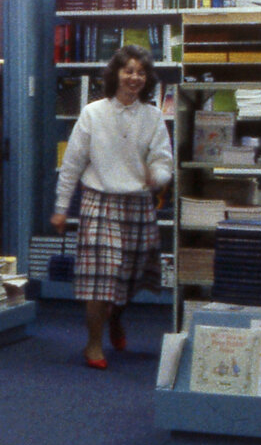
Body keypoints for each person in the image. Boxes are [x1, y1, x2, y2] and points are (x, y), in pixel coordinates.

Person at [52, 44, 172, 369]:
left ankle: (116, 319)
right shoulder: (93, 113)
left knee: (129, 279)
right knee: (99, 275)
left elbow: (163, 161)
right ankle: (93, 343)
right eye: (128, 70)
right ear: (116, 74)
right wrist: (61, 207)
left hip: (137, 203)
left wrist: (156, 177)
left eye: (141, 72)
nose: (134, 77)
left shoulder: (153, 116)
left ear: (147, 79)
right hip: (99, 201)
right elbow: (72, 165)